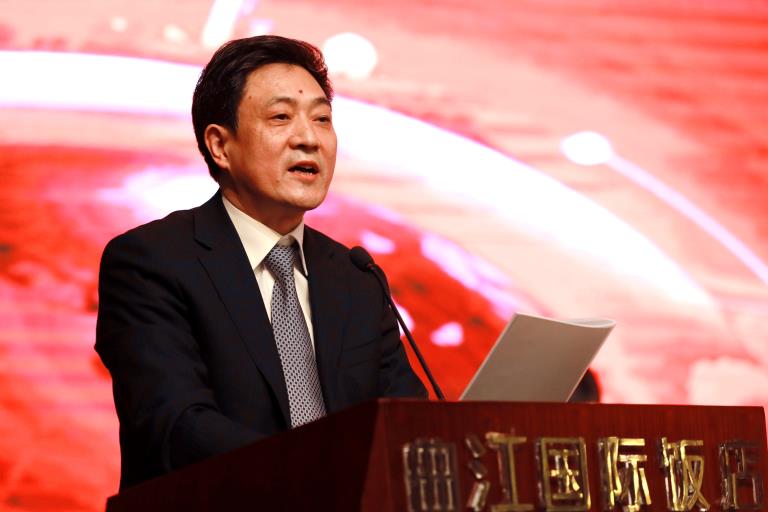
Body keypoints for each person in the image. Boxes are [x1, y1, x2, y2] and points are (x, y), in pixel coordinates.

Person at [95, 35, 427, 490]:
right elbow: (176, 426)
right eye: (281, 117)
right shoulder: (152, 262)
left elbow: (408, 426)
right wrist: (321, 477)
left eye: (322, 119)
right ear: (220, 146)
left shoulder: (356, 278)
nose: (308, 139)